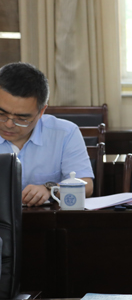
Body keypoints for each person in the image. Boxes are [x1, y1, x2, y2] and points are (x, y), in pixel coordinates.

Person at [0, 62, 93, 206]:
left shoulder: (64, 133)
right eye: (1, 114)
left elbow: (86, 185)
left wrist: (50, 189)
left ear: (41, 111)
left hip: (46, 217)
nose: (9, 124)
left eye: (22, 119)